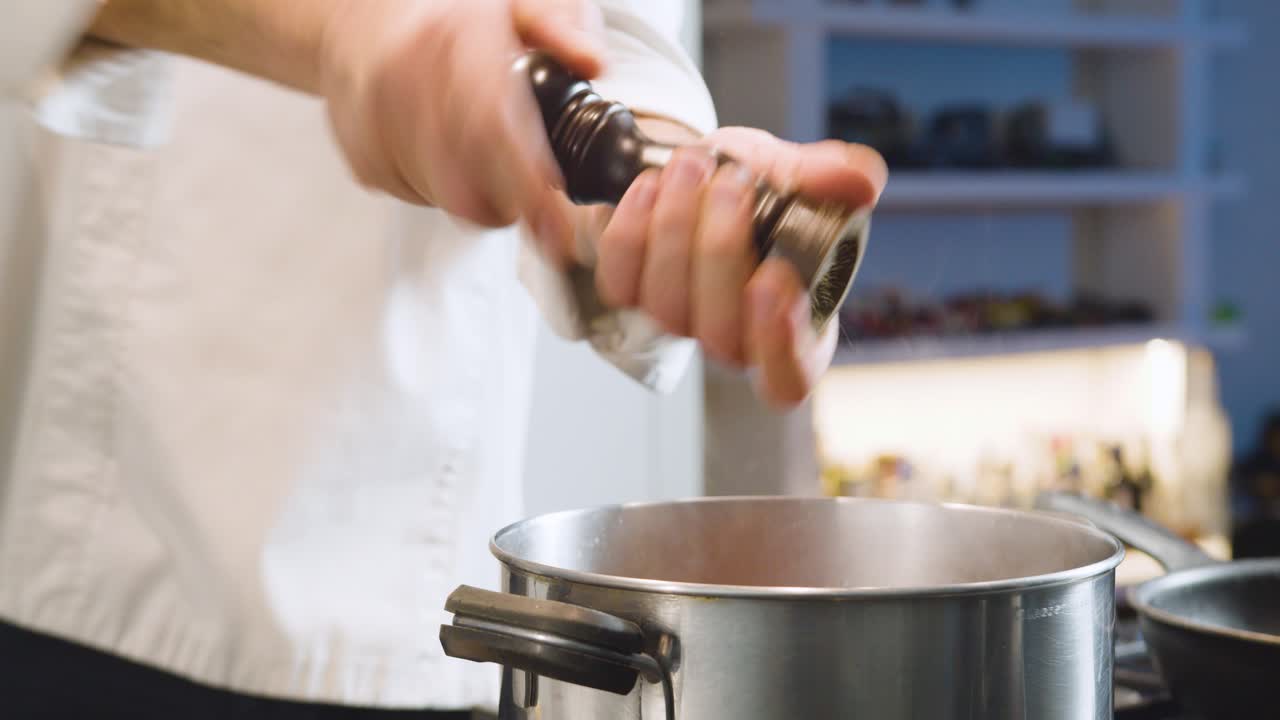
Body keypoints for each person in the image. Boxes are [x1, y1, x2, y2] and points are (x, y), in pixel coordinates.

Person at [0, 0, 887, 717]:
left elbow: (609, 46)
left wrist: (674, 191)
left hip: (411, 617)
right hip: (86, 575)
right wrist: (346, 30)